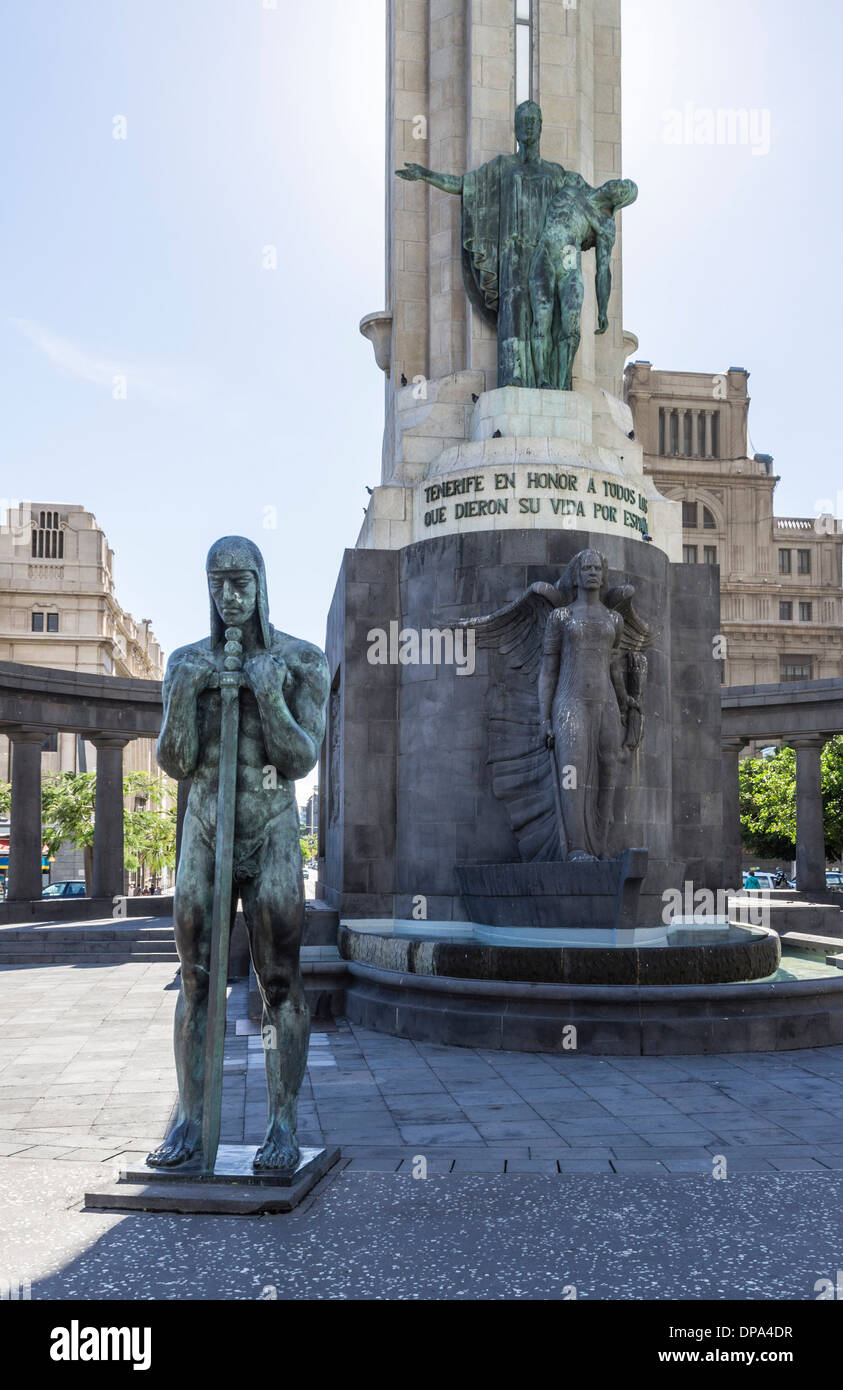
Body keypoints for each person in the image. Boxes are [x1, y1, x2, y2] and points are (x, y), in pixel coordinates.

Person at [147, 536, 329, 1172]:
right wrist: (181, 699)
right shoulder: (185, 662)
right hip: (204, 827)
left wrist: (269, 694)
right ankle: (191, 1120)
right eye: (218, 582)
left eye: (241, 582)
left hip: (272, 827)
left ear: (261, 585)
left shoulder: (303, 661)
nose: (230, 596)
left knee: (278, 979)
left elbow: (302, 758)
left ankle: (282, 1123)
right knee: (195, 978)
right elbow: (175, 763)